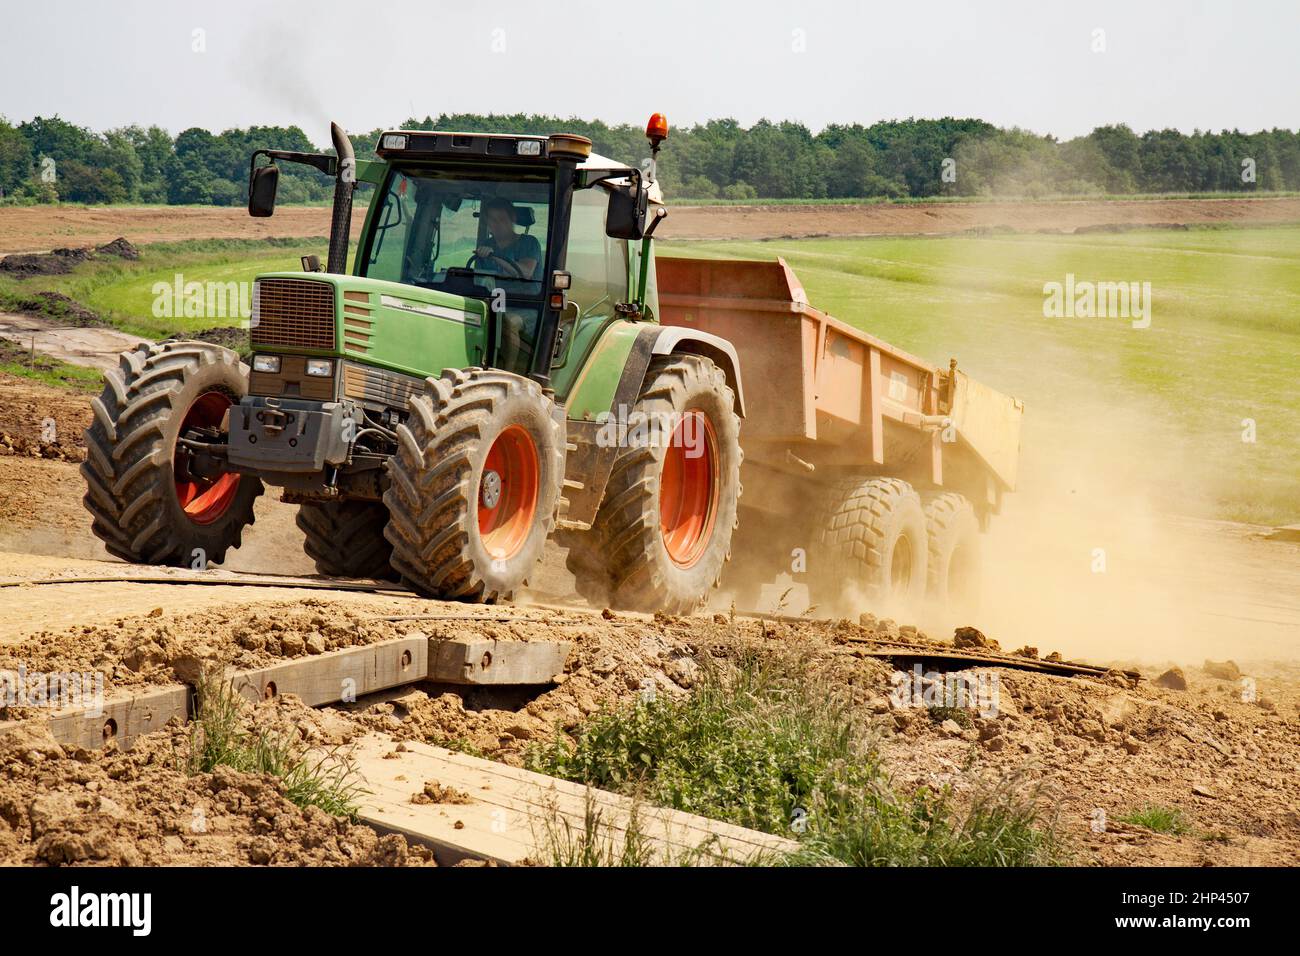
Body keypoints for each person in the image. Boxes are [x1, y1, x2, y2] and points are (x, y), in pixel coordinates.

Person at [476, 198, 541, 280]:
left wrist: (494, 256)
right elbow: (478, 277)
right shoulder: (486, 244)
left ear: (512, 219)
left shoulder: (529, 242)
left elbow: (526, 273)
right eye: (492, 219)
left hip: (524, 293)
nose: (497, 223)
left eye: (502, 219)